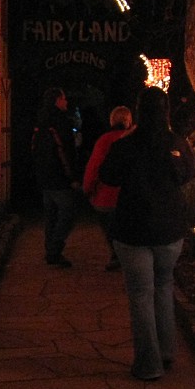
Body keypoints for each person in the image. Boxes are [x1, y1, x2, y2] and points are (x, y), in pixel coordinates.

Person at [99, 85, 195, 380]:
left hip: (133, 229)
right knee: (164, 287)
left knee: (141, 295)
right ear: (166, 110)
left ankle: (149, 363)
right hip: (169, 229)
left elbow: (108, 176)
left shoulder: (126, 145)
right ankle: (167, 351)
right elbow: (189, 174)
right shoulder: (175, 142)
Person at [31, 86, 81, 266]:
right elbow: (66, 151)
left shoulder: (41, 122)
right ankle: (54, 249)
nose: (66, 101)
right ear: (57, 101)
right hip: (59, 176)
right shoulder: (61, 122)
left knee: (51, 214)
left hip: (44, 176)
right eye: (64, 98)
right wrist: (73, 176)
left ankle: (50, 249)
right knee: (68, 212)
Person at [82, 105, 133, 270]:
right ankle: (123, 257)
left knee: (111, 228)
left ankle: (117, 255)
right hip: (130, 196)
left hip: (105, 198)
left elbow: (94, 167)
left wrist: (88, 189)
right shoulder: (132, 139)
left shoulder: (104, 140)